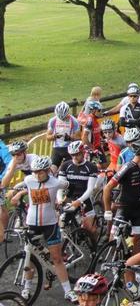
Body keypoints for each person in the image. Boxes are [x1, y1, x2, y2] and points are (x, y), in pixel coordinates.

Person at [11, 156, 78, 303]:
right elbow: (23, 185)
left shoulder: (55, 183)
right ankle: (27, 288)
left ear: (47, 170)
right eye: (35, 172)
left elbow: (70, 186)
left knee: (57, 259)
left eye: (40, 172)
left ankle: (68, 291)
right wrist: (15, 192)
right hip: (32, 224)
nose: (37, 175)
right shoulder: (29, 180)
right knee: (30, 257)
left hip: (50, 225)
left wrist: (64, 200)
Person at [103, 139, 140, 255]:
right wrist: (107, 211)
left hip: (139, 209)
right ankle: (115, 264)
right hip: (124, 208)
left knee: (137, 241)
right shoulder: (128, 167)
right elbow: (107, 187)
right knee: (113, 240)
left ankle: (132, 266)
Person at [57, 140, 99, 238]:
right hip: (70, 196)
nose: (75, 157)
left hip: (85, 198)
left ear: (83, 153)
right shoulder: (66, 165)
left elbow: (90, 189)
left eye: (77, 154)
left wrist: (79, 201)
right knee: (61, 224)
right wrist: (59, 199)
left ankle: (95, 249)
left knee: (91, 229)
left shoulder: (91, 167)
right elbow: (60, 185)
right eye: (72, 155)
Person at [47, 101, 80, 173]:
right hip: (57, 149)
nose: (62, 119)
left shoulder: (74, 121)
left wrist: (70, 138)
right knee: (52, 171)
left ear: (68, 113)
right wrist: (54, 136)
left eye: (64, 117)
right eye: (60, 117)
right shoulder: (53, 121)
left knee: (64, 170)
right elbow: (48, 137)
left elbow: (78, 138)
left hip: (69, 149)